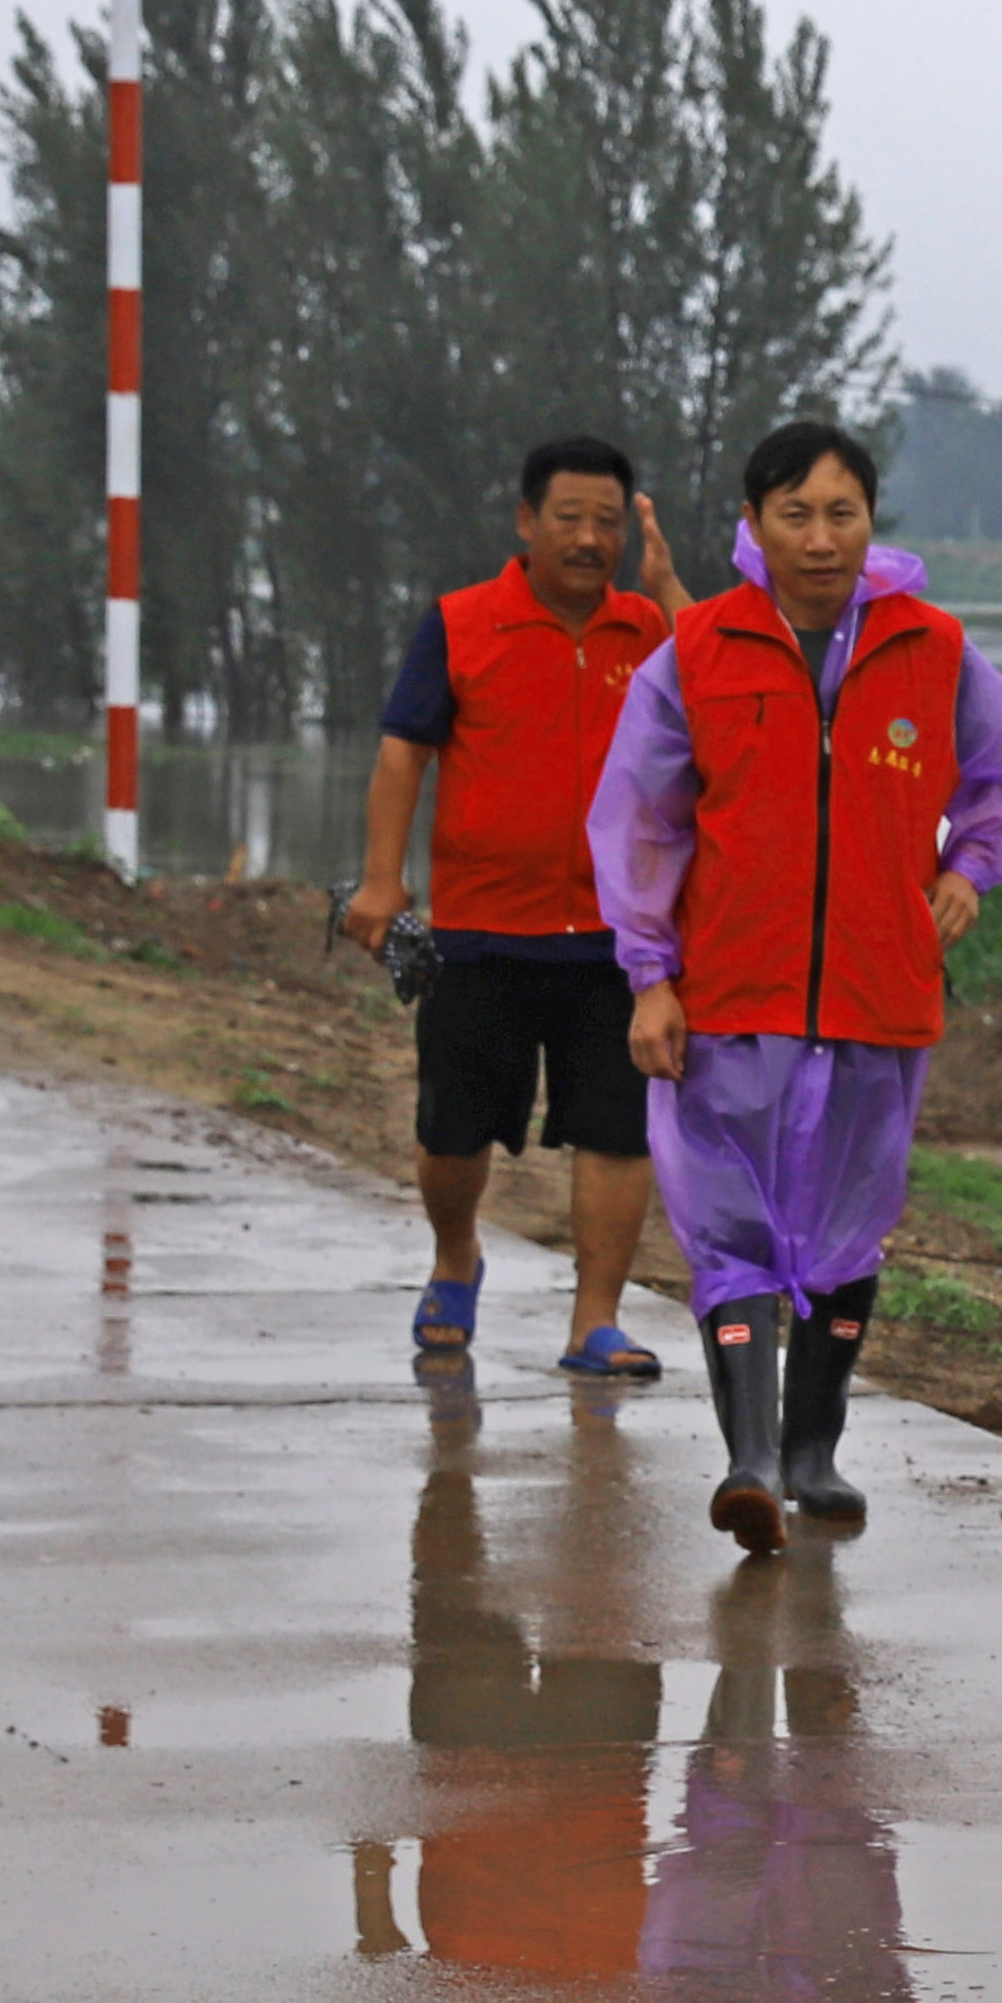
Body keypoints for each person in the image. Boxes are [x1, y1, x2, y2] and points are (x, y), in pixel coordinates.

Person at [596, 421, 1002, 1553]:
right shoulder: (697, 651)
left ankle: (813, 1451)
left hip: (876, 998)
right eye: (794, 514)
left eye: (841, 513)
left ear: (870, 525)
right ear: (752, 525)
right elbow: (638, 821)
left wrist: (970, 869)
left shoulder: (930, 648)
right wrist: (651, 972)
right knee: (732, 1225)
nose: (820, 537)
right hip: (732, 995)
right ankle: (749, 1459)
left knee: (850, 1229)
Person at [340, 437, 686, 1381]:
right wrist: (383, 878)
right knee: (452, 1131)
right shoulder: (459, 624)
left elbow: (731, 696)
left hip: (619, 939)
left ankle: (595, 1322)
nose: (587, 539)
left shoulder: (652, 631)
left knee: (618, 1130)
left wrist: (670, 589)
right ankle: (456, 1257)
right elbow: (403, 752)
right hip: (482, 931)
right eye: (568, 518)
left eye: (606, 522)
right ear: (525, 522)